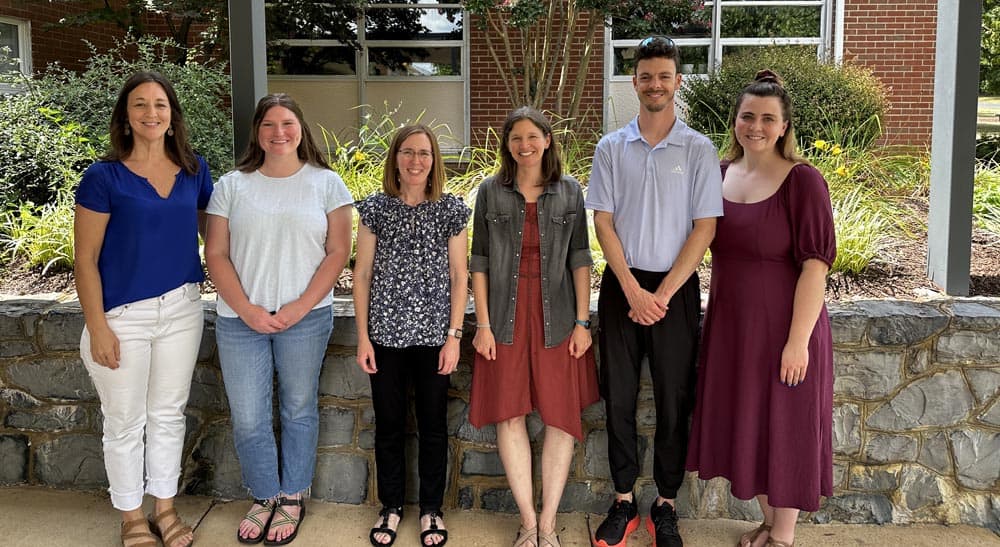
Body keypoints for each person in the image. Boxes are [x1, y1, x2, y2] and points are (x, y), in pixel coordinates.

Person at [685, 70, 836, 547]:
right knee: (750, 423)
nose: (756, 126)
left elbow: (816, 267)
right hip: (733, 328)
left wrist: (797, 343)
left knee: (785, 426)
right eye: (747, 116)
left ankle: (783, 537)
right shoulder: (721, 174)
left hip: (785, 328)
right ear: (734, 122)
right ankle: (769, 523)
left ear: (785, 126)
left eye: (768, 118)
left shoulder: (803, 182)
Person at [585, 35, 724, 547]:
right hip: (623, 284)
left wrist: (661, 294)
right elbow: (603, 223)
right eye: (646, 76)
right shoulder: (610, 148)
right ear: (635, 82)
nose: (655, 84)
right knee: (618, 399)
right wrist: (631, 289)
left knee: (674, 399)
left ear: (678, 81)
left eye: (664, 76)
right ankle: (623, 499)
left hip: (676, 290)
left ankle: (665, 504)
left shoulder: (699, 149)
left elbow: (704, 229)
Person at [204, 93, 354, 546]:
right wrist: (248, 309)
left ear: (300, 128)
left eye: (287, 122)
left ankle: (292, 495)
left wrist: (299, 306)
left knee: (298, 408)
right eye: (269, 124)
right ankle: (264, 494)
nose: (279, 132)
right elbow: (216, 253)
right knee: (249, 416)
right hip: (238, 319)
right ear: (258, 132)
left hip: (305, 318)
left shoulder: (326, 183)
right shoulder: (232, 185)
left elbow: (338, 252)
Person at [75, 71, 212, 547]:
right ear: (126, 117)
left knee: (169, 414)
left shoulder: (196, 170)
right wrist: (98, 327)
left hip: (182, 309)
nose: (151, 113)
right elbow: (85, 260)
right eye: (140, 104)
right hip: (121, 316)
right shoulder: (102, 177)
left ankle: (166, 508)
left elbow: (215, 240)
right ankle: (133, 517)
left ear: (172, 117)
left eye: (160, 104)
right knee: (125, 421)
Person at [468, 107, 600, 547]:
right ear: (507, 145)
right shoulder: (490, 192)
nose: (524, 146)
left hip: (559, 319)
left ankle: (549, 523)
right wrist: (482, 324)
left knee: (561, 420)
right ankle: (527, 523)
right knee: (510, 417)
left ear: (547, 140)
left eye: (532, 137)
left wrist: (583, 322)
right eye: (515, 139)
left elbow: (581, 258)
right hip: (503, 321)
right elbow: (480, 262)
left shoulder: (569, 192)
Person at [354, 124, 470, 547]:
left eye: (423, 153)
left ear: (434, 160)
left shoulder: (450, 210)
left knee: (433, 426)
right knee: (388, 426)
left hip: (435, 339)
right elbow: (362, 275)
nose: (415, 160)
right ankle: (390, 506)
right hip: (384, 336)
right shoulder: (375, 209)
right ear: (395, 159)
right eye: (407, 152)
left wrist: (454, 336)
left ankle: (431, 511)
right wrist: (363, 338)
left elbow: (460, 277)